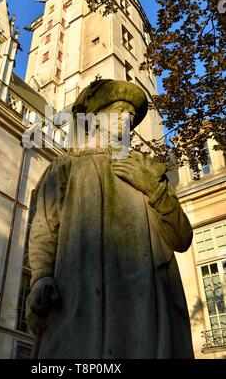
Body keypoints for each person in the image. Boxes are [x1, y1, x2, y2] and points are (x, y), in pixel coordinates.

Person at [26, 79, 194, 359]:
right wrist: (41, 276)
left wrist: (153, 189)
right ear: (93, 118)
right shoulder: (65, 167)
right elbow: (44, 228)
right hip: (78, 295)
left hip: (143, 305)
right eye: (118, 110)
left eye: (131, 115)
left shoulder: (147, 168)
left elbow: (182, 237)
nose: (126, 119)